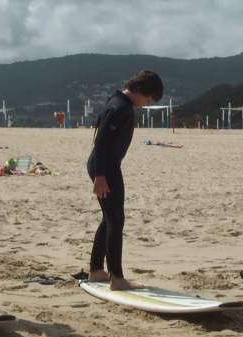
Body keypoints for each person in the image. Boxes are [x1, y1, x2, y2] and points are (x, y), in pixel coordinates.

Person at [87, 70, 164, 290]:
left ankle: (96, 270)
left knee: (110, 218)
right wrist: (100, 176)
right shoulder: (119, 107)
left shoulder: (120, 102)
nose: (146, 104)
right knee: (116, 220)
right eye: (148, 99)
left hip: (106, 167)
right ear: (139, 90)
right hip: (105, 169)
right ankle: (117, 278)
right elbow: (100, 141)